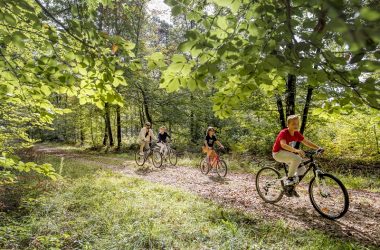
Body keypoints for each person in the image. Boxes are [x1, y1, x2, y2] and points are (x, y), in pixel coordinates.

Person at [272, 115, 323, 193]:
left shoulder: (296, 133)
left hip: (288, 154)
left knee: (302, 170)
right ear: (288, 125)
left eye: (297, 124)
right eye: (293, 124)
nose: (296, 125)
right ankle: (289, 179)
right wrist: (296, 151)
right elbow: (283, 145)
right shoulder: (283, 132)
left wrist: (318, 148)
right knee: (297, 158)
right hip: (278, 153)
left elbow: (306, 142)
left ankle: (290, 188)